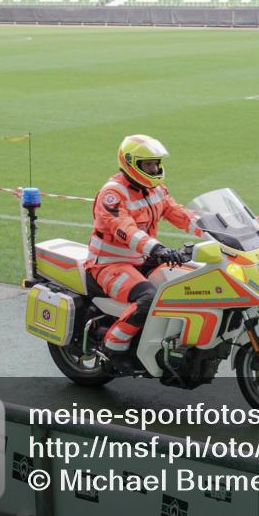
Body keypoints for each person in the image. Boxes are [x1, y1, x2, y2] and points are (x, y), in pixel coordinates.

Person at [86, 134, 203, 369]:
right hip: (109, 264)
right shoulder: (113, 194)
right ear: (131, 163)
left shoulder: (156, 189)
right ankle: (113, 348)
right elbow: (125, 230)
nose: (155, 168)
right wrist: (157, 248)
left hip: (143, 259)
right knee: (148, 298)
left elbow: (179, 213)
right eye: (148, 164)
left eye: (156, 163)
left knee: (192, 281)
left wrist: (215, 231)